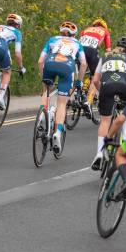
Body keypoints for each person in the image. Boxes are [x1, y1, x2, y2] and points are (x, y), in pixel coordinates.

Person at [90, 37, 126, 170]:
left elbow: (95, 81)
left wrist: (103, 92)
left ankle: (99, 153)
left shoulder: (104, 56)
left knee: (105, 121)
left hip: (107, 86)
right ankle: (124, 137)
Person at [39, 22, 87, 154]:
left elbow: (40, 61)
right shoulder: (77, 43)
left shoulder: (52, 39)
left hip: (49, 64)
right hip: (67, 67)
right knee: (61, 103)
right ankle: (57, 133)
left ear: (60, 32)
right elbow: (83, 63)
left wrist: (42, 76)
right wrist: (79, 81)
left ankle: (42, 117)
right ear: (74, 34)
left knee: (46, 91)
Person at [79, 18, 112, 104]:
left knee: (81, 72)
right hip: (92, 51)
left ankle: (74, 94)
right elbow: (108, 50)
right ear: (104, 26)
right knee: (96, 76)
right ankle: (89, 101)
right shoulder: (105, 31)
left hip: (80, 51)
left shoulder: (86, 29)